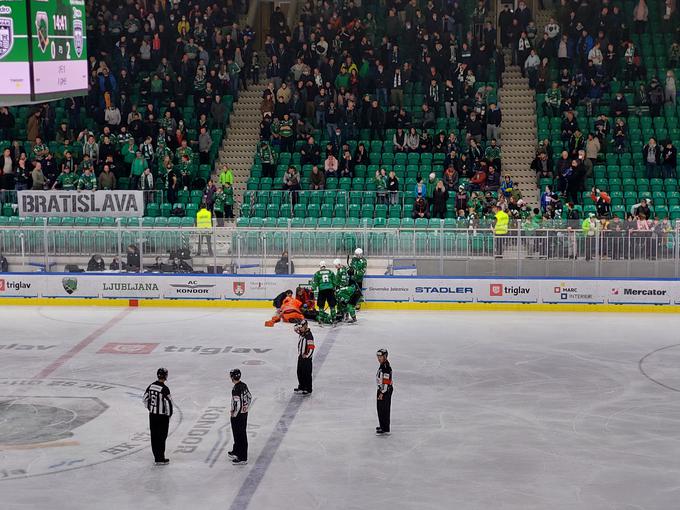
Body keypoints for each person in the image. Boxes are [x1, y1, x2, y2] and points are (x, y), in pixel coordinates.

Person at [143, 367, 173, 465]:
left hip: (152, 415)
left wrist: (151, 408)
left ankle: (157, 457)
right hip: (162, 417)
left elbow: (145, 399)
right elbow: (169, 404)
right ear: (165, 376)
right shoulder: (165, 389)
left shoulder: (151, 386)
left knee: (154, 436)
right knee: (162, 436)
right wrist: (169, 415)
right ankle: (160, 458)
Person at [228, 369, 251, 465]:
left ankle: (242, 457)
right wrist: (245, 408)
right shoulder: (244, 385)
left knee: (240, 434)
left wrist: (234, 414)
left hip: (238, 416)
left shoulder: (236, 389)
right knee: (238, 434)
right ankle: (236, 451)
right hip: (244, 414)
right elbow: (249, 397)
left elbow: (237, 404)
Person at [294, 320, 315, 395]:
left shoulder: (309, 336)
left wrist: (307, 356)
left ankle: (308, 389)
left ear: (306, 326)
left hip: (306, 359)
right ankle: (302, 386)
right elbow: (295, 329)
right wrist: (298, 325)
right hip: (300, 356)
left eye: (301, 327)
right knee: (299, 372)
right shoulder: (302, 333)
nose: (299, 329)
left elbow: (312, 348)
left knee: (307, 373)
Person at [376, 349, 393, 435]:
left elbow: (386, 382)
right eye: (378, 357)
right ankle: (382, 425)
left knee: (384, 409)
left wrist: (382, 393)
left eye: (381, 357)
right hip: (382, 389)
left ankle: (385, 428)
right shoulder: (383, 365)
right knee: (380, 408)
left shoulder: (386, 367)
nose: (379, 358)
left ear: (385, 357)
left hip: (385, 390)